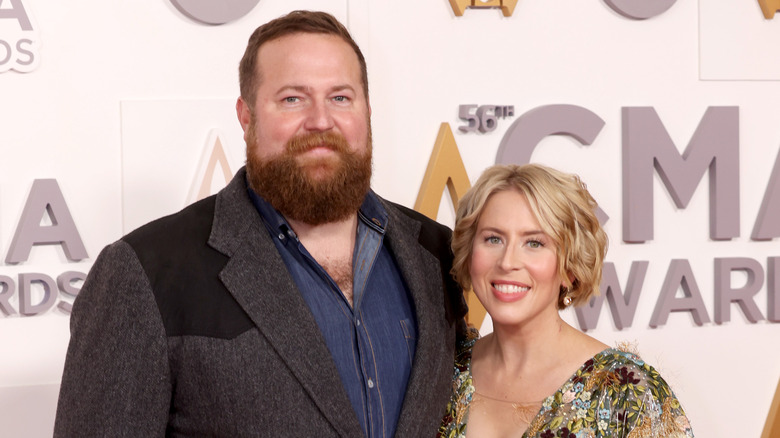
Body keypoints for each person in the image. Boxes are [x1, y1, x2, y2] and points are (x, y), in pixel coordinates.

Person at [54, 10, 466, 437]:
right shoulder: (145, 273)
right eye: (293, 98)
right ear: (246, 116)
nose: (321, 120)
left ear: (366, 110)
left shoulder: (436, 254)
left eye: (341, 97)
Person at [437, 164, 694, 438]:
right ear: (469, 252)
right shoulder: (440, 369)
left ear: (568, 268)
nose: (507, 262)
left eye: (534, 243)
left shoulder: (626, 392)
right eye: (493, 239)